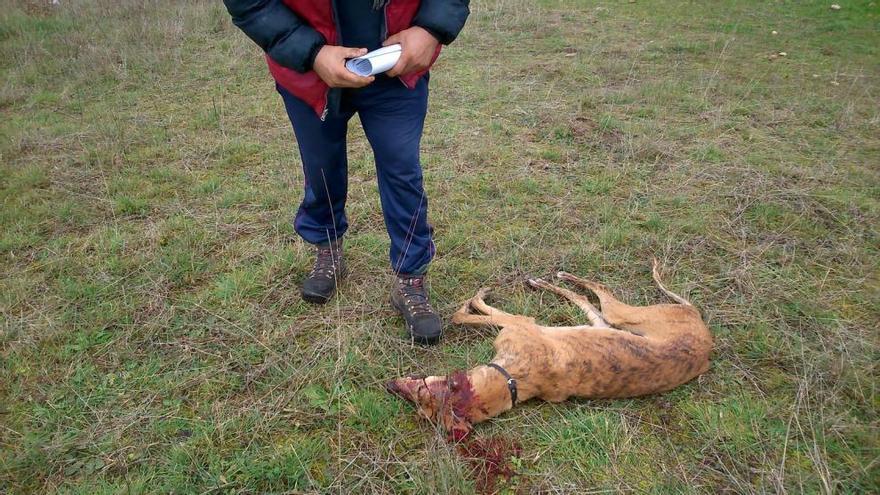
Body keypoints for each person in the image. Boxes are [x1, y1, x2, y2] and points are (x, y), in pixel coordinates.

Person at [222, 0, 470, 344]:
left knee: (403, 171)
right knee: (320, 165)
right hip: (308, 73)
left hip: (397, 62)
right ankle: (328, 248)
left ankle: (410, 278)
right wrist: (310, 53)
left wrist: (431, 29)